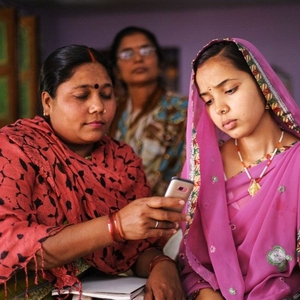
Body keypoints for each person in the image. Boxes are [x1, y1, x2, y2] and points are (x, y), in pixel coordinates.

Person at [0, 44, 188, 300]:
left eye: (107, 95)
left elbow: (134, 249)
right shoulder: (16, 148)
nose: (98, 106)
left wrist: (161, 264)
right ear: (47, 102)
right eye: (81, 96)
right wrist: (115, 226)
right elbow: (10, 243)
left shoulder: (123, 160)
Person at [178, 38, 300, 299]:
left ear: (261, 83)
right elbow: (193, 260)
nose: (220, 108)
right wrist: (206, 294)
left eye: (230, 90)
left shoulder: (297, 161)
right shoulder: (204, 168)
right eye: (208, 100)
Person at [109, 26, 188, 196]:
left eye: (146, 51)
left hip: (168, 209)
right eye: (127, 54)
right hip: (117, 211)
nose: (138, 58)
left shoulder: (184, 109)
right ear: (117, 71)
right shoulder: (109, 111)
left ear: (159, 63)